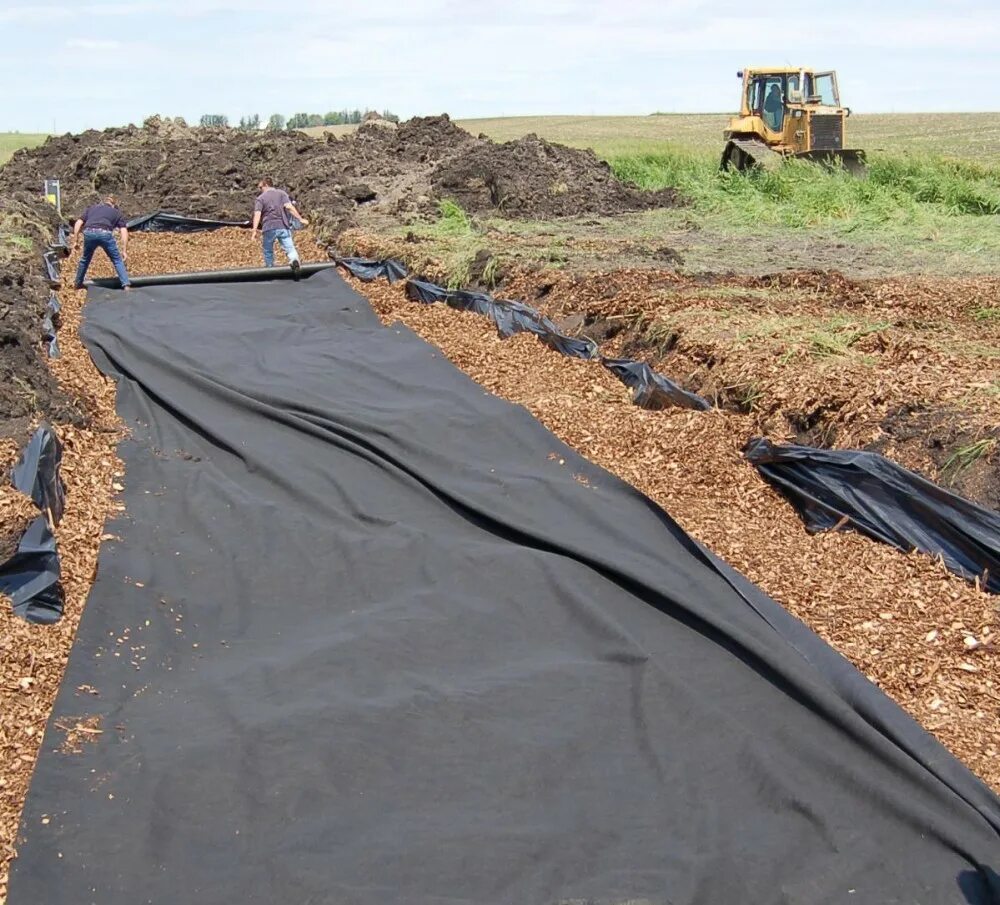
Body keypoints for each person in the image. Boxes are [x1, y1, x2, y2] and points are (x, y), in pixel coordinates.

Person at [70, 195, 131, 290]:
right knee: (117, 260)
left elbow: (78, 223)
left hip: (89, 232)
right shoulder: (116, 212)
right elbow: (124, 231)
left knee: (85, 259)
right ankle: (126, 285)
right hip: (105, 233)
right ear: (114, 204)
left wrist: (75, 241)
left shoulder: (91, 209)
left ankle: (77, 284)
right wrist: (124, 250)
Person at [251, 177, 310, 273]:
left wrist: (254, 231)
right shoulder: (282, 194)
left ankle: (270, 269)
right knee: (290, 249)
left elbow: (257, 214)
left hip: (268, 227)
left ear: (266, 185)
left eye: (260, 187)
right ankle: (294, 261)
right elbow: (289, 207)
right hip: (283, 226)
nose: (260, 190)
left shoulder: (260, 198)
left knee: (268, 251)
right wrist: (300, 218)